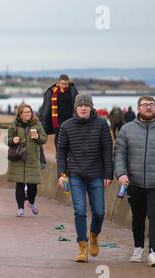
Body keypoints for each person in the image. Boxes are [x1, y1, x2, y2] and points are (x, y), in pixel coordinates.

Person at [114, 96, 155, 267]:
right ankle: (138, 248)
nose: (149, 107)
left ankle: (154, 253)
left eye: (152, 105)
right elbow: (119, 153)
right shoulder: (127, 129)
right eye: (145, 105)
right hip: (134, 183)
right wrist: (121, 173)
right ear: (138, 108)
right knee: (138, 217)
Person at [57, 94, 113, 263]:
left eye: (86, 105)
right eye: (80, 106)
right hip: (75, 176)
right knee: (80, 211)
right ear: (76, 108)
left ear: (91, 107)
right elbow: (61, 152)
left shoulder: (102, 124)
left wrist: (108, 174)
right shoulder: (66, 126)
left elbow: (107, 151)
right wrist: (61, 174)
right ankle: (83, 246)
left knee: (99, 212)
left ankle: (94, 235)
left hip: (96, 175)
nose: (83, 108)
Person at [8, 104, 47, 217]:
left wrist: (38, 137)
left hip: (33, 159)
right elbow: (7, 139)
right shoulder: (14, 125)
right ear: (20, 114)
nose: (28, 114)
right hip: (18, 158)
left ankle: (31, 202)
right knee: (19, 184)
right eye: (25, 112)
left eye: (29, 112)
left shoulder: (37, 125)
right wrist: (13, 140)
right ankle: (20, 208)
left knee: (32, 185)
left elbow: (44, 139)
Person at [39, 74, 78, 150]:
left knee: (70, 138)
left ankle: (69, 155)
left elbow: (76, 104)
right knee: (59, 138)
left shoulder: (72, 91)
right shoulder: (52, 91)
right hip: (56, 120)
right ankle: (59, 155)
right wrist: (42, 118)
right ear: (59, 82)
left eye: (66, 84)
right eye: (63, 83)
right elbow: (46, 106)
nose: (65, 85)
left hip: (70, 118)